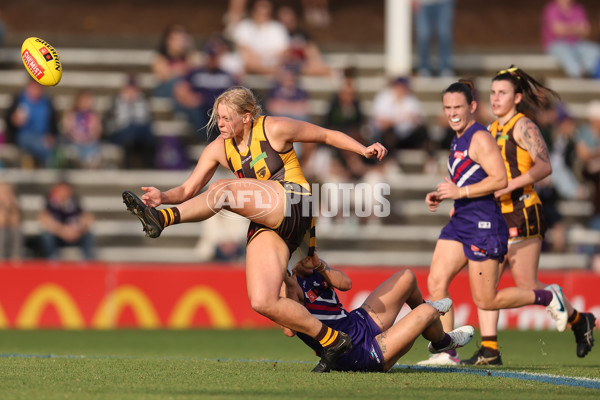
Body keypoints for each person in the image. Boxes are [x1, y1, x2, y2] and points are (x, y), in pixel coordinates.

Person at [121, 86, 387, 373]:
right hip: (270, 221)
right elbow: (188, 188)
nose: (220, 123)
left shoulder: (273, 128)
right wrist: (163, 196)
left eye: (226, 117)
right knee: (262, 301)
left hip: (296, 201)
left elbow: (324, 134)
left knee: (224, 189)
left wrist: (362, 149)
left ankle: (162, 220)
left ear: (247, 117)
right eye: (218, 117)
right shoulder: (219, 149)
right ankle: (333, 340)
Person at [416, 79, 571, 366]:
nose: (452, 113)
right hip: (461, 220)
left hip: (484, 224)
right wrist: (442, 194)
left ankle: (548, 297)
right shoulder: (458, 137)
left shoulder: (480, 137)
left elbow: (500, 179)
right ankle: (448, 351)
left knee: (487, 300)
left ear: (472, 106)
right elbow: (466, 177)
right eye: (447, 107)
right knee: (436, 282)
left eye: (458, 107)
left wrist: (459, 192)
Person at [460, 67, 596, 366]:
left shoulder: (524, 127)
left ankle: (578, 319)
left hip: (522, 211)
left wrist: (508, 184)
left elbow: (544, 166)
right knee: (485, 286)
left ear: (517, 97)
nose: (495, 98)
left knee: (526, 287)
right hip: (494, 216)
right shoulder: (490, 129)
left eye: (503, 93)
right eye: (493, 93)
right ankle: (489, 349)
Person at [282, 253, 474, 372]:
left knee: (406, 277)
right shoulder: (291, 286)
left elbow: (346, 284)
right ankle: (442, 336)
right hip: (354, 351)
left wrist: (320, 265)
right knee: (427, 311)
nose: (307, 255)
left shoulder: (317, 269)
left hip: (358, 322)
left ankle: (439, 341)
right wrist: (290, 283)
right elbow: (289, 330)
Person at [173, 37, 238, 139]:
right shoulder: (196, 72)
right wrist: (189, 97)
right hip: (201, 109)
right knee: (195, 112)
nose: (213, 59)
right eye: (211, 56)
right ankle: (207, 138)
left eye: (215, 56)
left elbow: (237, 92)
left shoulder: (227, 75)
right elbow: (180, 89)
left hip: (220, 110)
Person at [105, 75, 157, 169]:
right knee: (131, 130)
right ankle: (127, 165)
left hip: (140, 134)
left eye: (134, 90)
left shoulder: (143, 102)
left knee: (145, 131)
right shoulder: (115, 102)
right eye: (129, 90)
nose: (131, 93)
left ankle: (149, 165)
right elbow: (109, 124)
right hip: (120, 134)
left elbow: (148, 120)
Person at [4, 79, 58, 168]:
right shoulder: (19, 99)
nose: (36, 89)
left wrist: (51, 135)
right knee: (43, 147)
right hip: (24, 137)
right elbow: (9, 120)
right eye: (34, 86)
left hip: (43, 137)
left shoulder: (47, 101)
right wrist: (14, 120)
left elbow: (53, 124)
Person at [541, 0, 600, 78]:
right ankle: (578, 73)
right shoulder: (552, 8)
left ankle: (587, 72)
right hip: (556, 43)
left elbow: (586, 30)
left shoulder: (578, 8)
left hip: (576, 43)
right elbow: (558, 30)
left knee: (595, 50)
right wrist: (577, 28)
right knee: (566, 52)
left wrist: (566, 27)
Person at [38, 181, 95, 260]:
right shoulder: (50, 203)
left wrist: (78, 229)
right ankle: (53, 259)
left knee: (88, 234)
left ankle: (87, 260)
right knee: (47, 235)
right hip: (58, 237)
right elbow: (44, 219)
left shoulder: (75, 202)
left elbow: (88, 217)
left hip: (74, 235)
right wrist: (62, 231)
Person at [230, 0, 290, 76]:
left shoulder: (278, 27)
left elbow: (284, 52)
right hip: (250, 65)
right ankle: (268, 72)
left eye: (265, 9)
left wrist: (264, 62)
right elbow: (243, 50)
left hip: (272, 64)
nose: (262, 13)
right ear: (253, 11)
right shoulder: (244, 25)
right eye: (260, 9)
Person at [151, 23, 202, 100]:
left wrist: (190, 47)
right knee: (180, 86)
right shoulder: (160, 57)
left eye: (183, 39)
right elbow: (165, 76)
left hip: (186, 92)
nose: (180, 43)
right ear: (168, 41)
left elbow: (198, 68)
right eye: (176, 39)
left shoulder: (190, 56)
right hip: (167, 90)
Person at [59, 90, 103, 169]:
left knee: (95, 151)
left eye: (88, 101)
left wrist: (93, 135)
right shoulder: (71, 114)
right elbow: (65, 130)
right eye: (83, 100)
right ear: (78, 101)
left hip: (89, 144)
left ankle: (89, 164)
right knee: (68, 150)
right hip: (73, 142)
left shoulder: (94, 115)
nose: (86, 103)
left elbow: (98, 132)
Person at [413, 0, 455, 77]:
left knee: (444, 34)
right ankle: (423, 68)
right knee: (423, 36)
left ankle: (445, 68)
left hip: (444, 2)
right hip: (422, 3)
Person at [0, 182, 23, 260]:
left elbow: (16, 222)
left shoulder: (14, 204)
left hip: (9, 230)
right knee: (2, 232)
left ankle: (15, 257)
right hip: (2, 230)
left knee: (16, 231)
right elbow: (1, 222)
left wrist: (11, 207)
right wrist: (4, 207)